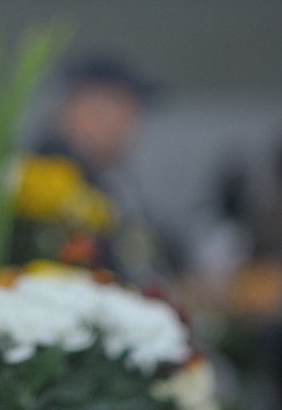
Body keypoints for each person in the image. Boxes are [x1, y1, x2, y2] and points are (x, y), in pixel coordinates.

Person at [12, 54, 172, 291]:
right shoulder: (45, 177)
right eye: (125, 108)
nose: (132, 126)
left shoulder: (111, 180)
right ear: (85, 106)